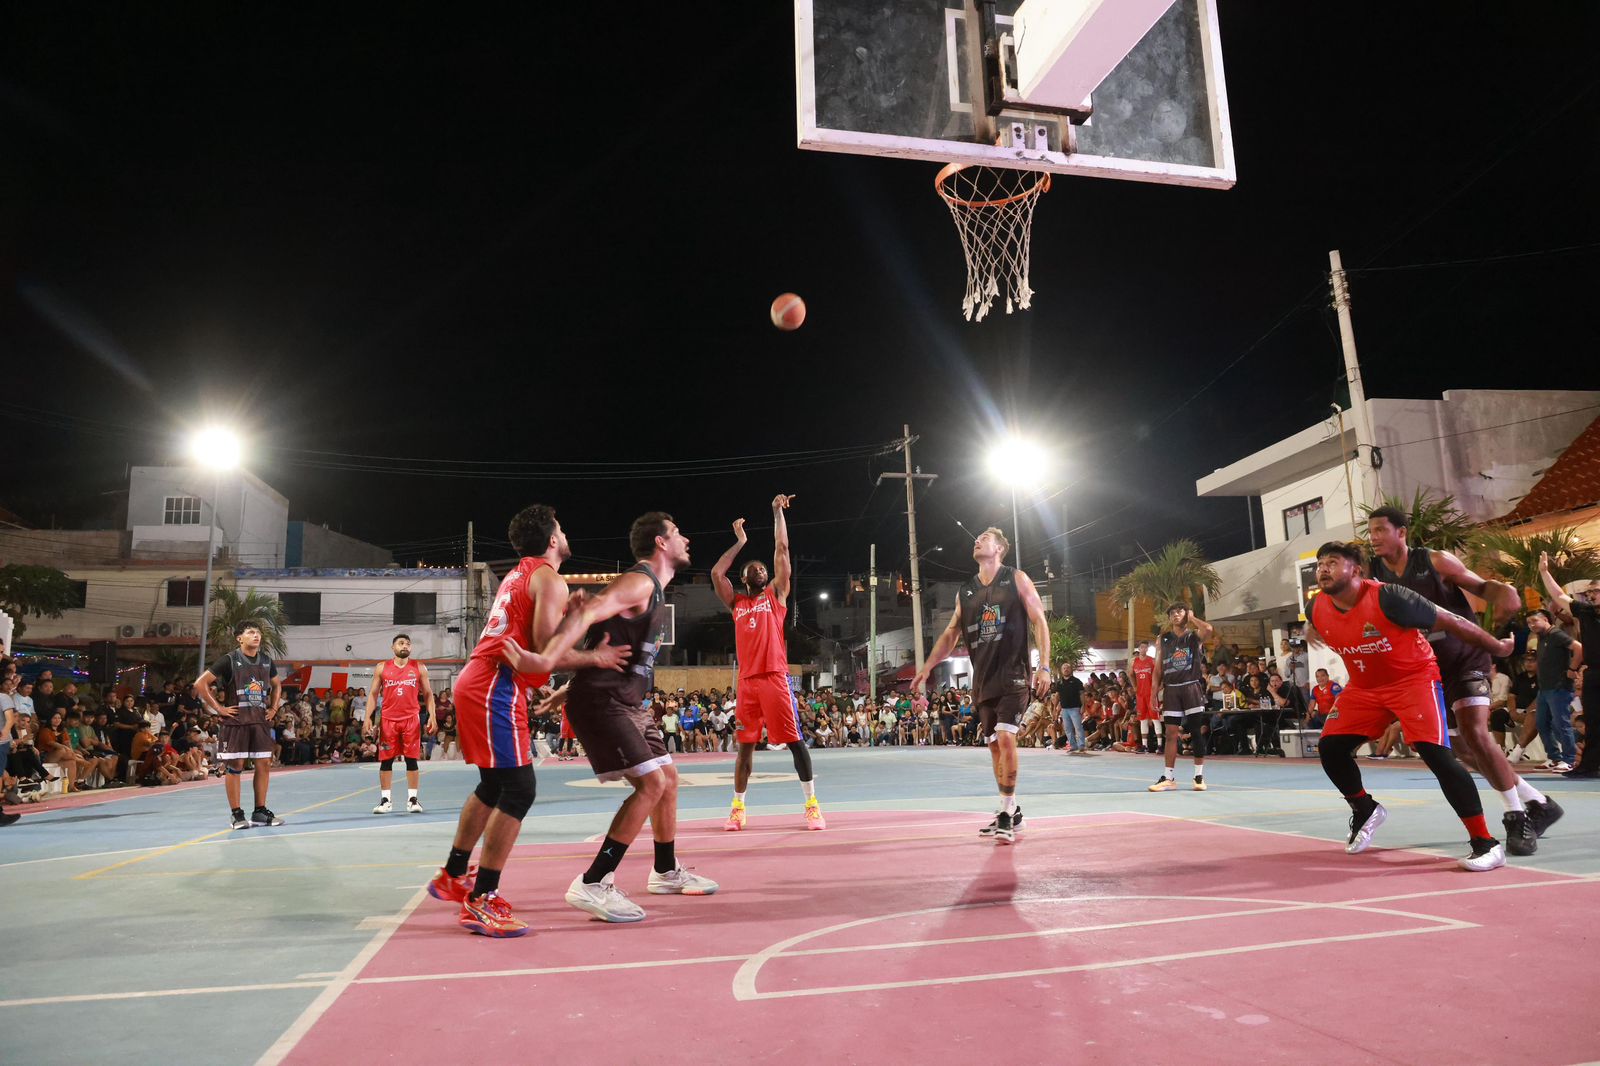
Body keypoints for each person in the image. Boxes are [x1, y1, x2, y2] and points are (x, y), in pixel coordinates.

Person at [428, 504, 627, 938]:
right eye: (563, 528)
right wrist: (594, 653)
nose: (566, 533)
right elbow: (542, 651)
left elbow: (536, 638)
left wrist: (567, 619)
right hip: (495, 685)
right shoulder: (549, 578)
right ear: (553, 539)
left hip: (483, 681)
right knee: (519, 789)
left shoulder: (522, 573)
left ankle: (454, 875)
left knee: (495, 786)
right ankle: (481, 900)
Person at [1304, 541, 1515, 872]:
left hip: (1413, 680)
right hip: (1365, 687)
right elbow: (1319, 623)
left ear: (1355, 570)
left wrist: (1497, 648)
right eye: (1320, 564)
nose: (1323, 569)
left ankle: (1486, 843)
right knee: (1330, 747)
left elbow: (1453, 621)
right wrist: (1308, 626)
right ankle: (1364, 809)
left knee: (1436, 755)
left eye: (1332, 562)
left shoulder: (1391, 598)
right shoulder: (1316, 608)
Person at [553, 512, 720, 922]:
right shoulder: (640, 581)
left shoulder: (656, 589)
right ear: (661, 543)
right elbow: (588, 612)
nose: (686, 539)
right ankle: (594, 881)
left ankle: (665, 870)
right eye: (678, 532)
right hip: (603, 701)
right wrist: (570, 659)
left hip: (628, 701)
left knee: (668, 778)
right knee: (651, 784)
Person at [1367, 506, 1558, 854]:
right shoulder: (1374, 574)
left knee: (1475, 732)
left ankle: (1517, 817)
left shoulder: (1435, 561)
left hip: (1467, 657)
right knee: (1456, 748)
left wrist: (1504, 593)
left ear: (1402, 533)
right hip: (1426, 668)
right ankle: (1537, 801)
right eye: (1371, 531)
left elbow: (1483, 586)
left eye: (1381, 529)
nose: (1374, 536)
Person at [914, 526, 1050, 843]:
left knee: (1005, 738)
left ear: (999, 549)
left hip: (1014, 675)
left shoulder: (1016, 578)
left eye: (985, 538)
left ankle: (1004, 812)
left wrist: (1044, 666)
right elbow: (950, 634)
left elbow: (1039, 619)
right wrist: (927, 667)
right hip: (983, 681)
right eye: (978, 538)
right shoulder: (967, 591)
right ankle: (1012, 811)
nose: (978, 540)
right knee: (992, 746)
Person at [711, 495, 823, 831]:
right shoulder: (737, 603)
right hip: (747, 683)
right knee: (745, 749)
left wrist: (776, 513)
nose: (760, 570)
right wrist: (740, 542)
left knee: (794, 742)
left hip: (775, 677)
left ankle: (812, 804)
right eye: (753, 569)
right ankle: (738, 808)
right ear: (745, 578)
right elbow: (717, 572)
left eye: (762, 568)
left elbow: (782, 551)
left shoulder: (775, 596)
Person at [195, 621, 284, 830]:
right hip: (237, 722)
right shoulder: (229, 660)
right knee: (236, 767)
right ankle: (236, 815)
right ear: (239, 638)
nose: (256, 636)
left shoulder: (266, 661)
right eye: (251, 632)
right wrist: (219, 708)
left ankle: (260, 812)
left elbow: (277, 684)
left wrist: (274, 708)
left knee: (264, 765)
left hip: (259, 722)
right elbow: (200, 683)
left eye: (258, 633)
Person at [1539, 555, 1600, 778]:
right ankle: (1590, 766)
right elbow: (1559, 595)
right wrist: (1545, 573)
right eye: (1590, 592)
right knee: (1593, 721)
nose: (1592, 595)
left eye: (1596, 591)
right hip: (1593, 673)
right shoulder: (1585, 612)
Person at [366, 634, 438, 814]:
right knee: (386, 760)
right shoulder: (382, 668)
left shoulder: (419, 667)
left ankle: (413, 799)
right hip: (388, 720)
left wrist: (432, 716)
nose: (404, 646)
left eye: (407, 643)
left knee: (412, 759)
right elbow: (373, 694)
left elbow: (428, 694)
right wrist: (368, 717)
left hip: (411, 719)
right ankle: (385, 800)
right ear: (393, 648)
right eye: (400, 643)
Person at [1149, 603, 1215, 792]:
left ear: (1186, 614)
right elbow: (1158, 668)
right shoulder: (1164, 639)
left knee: (1195, 731)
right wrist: (1154, 693)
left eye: (1180, 611)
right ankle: (1169, 777)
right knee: (1170, 733)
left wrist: (1193, 618)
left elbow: (1208, 629)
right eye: (1172, 613)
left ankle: (1198, 776)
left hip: (1190, 687)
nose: (1176, 614)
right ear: (1169, 618)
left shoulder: (1194, 636)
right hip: (1171, 690)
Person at [1526, 609, 1582, 773]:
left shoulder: (1556, 634)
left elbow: (1579, 648)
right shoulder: (1542, 637)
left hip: (1559, 688)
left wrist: (1573, 669)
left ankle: (1569, 759)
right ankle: (1554, 757)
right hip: (1545, 688)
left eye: (1534, 621)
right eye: (1529, 623)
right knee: (1541, 723)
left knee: (1561, 723)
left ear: (1545, 619)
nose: (1531, 625)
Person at [1131, 640, 1158, 752]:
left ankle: (1160, 745)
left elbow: (1158, 674)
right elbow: (1130, 674)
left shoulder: (1152, 660)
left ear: (1147, 649)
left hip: (1151, 693)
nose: (1143, 649)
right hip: (1140, 694)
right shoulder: (1134, 662)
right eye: (1141, 647)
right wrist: (1134, 686)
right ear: (1139, 648)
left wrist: (1158, 686)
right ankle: (1144, 745)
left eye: (1145, 647)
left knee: (1155, 718)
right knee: (1142, 719)